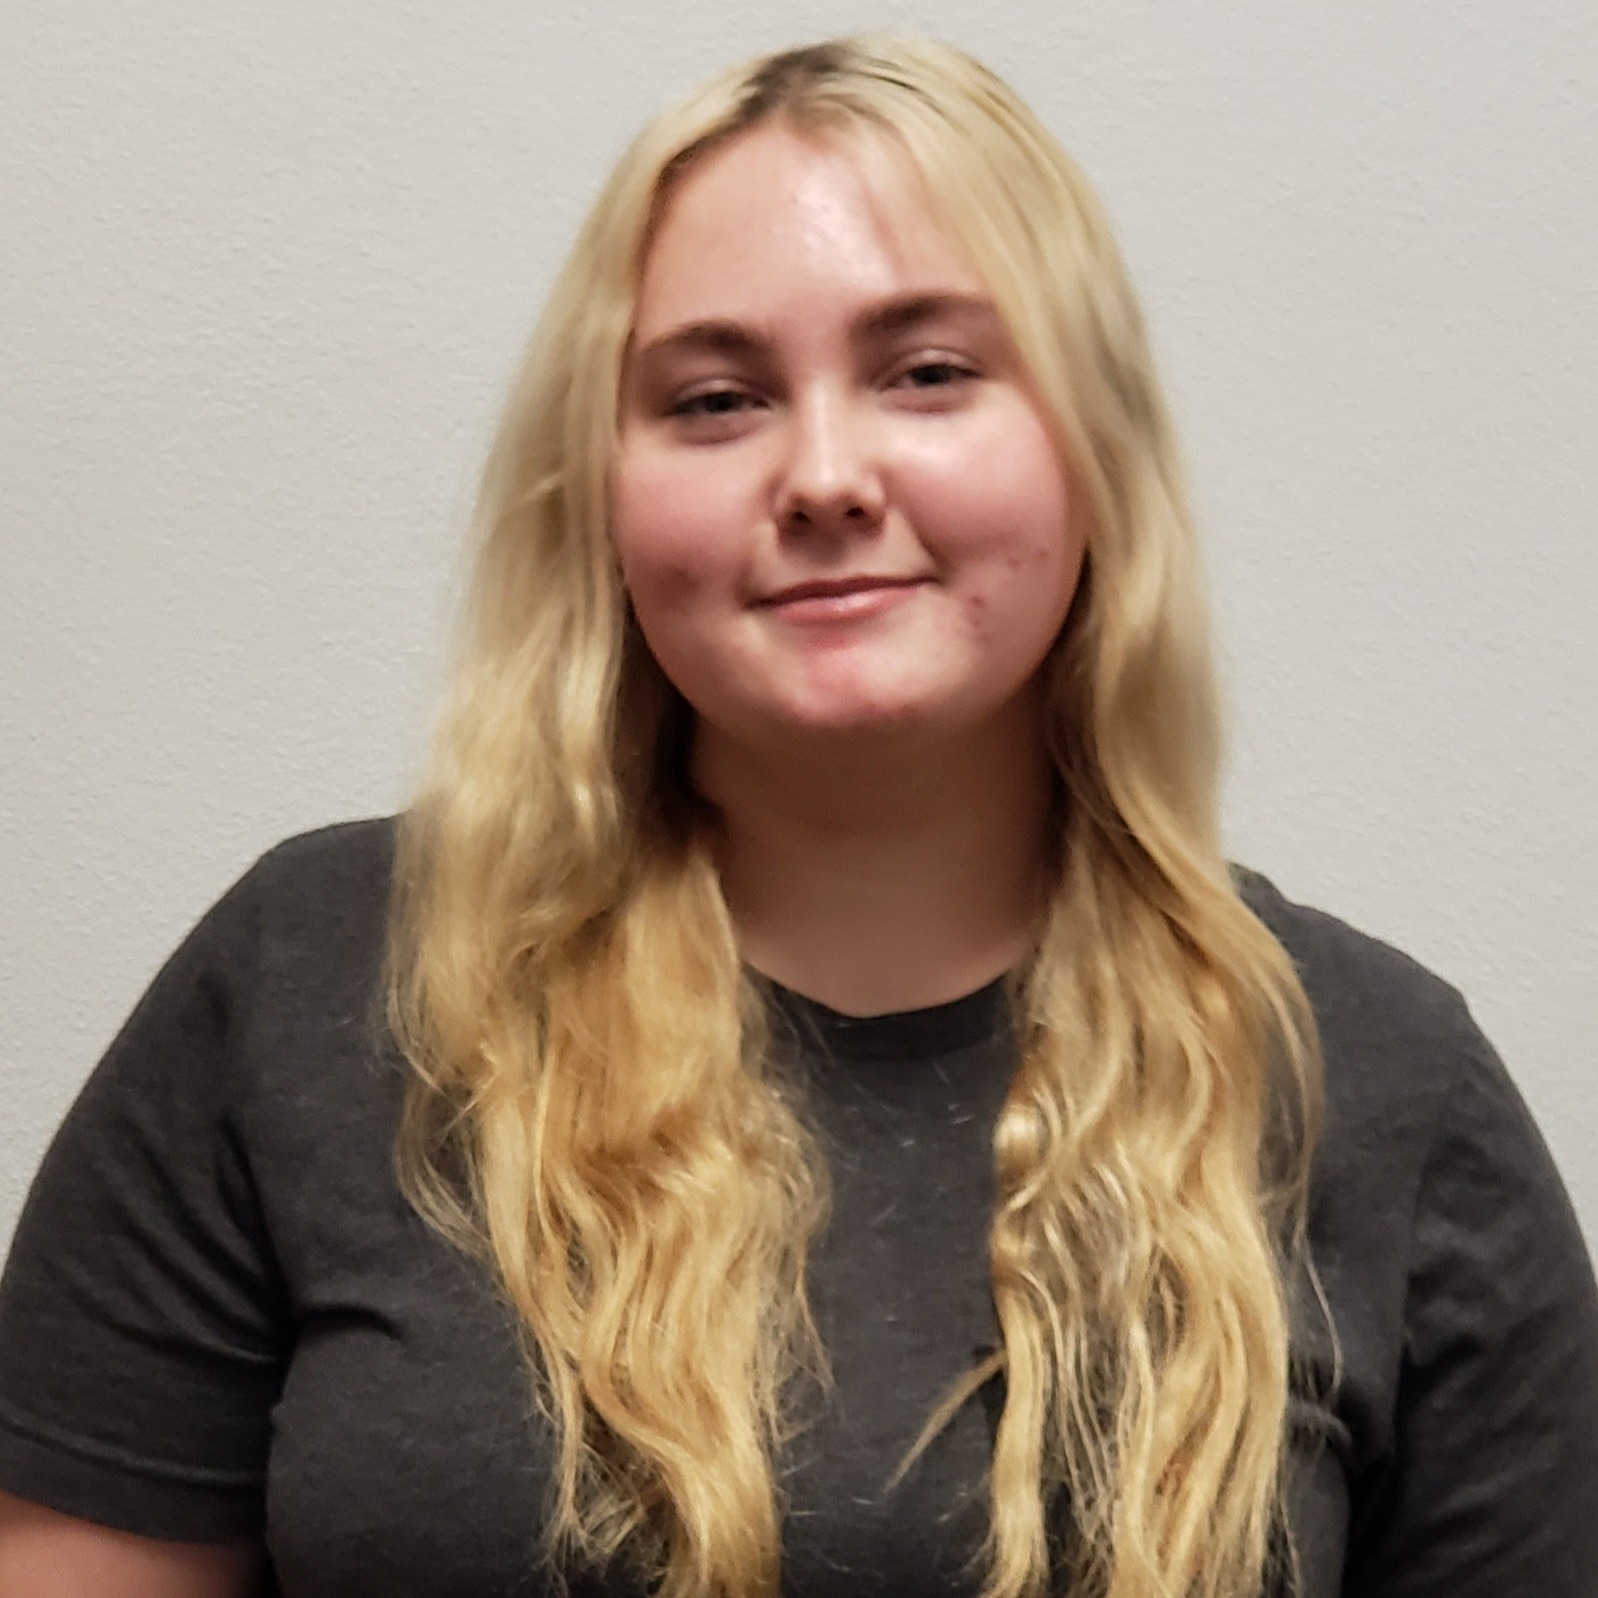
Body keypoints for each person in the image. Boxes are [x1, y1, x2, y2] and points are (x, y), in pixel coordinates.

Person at [0, 33, 1594, 1598]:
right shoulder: (313, 982)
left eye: (929, 373)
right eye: (711, 399)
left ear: (1089, 452)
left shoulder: (1380, 1079)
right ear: (603, 497)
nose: (824, 474)